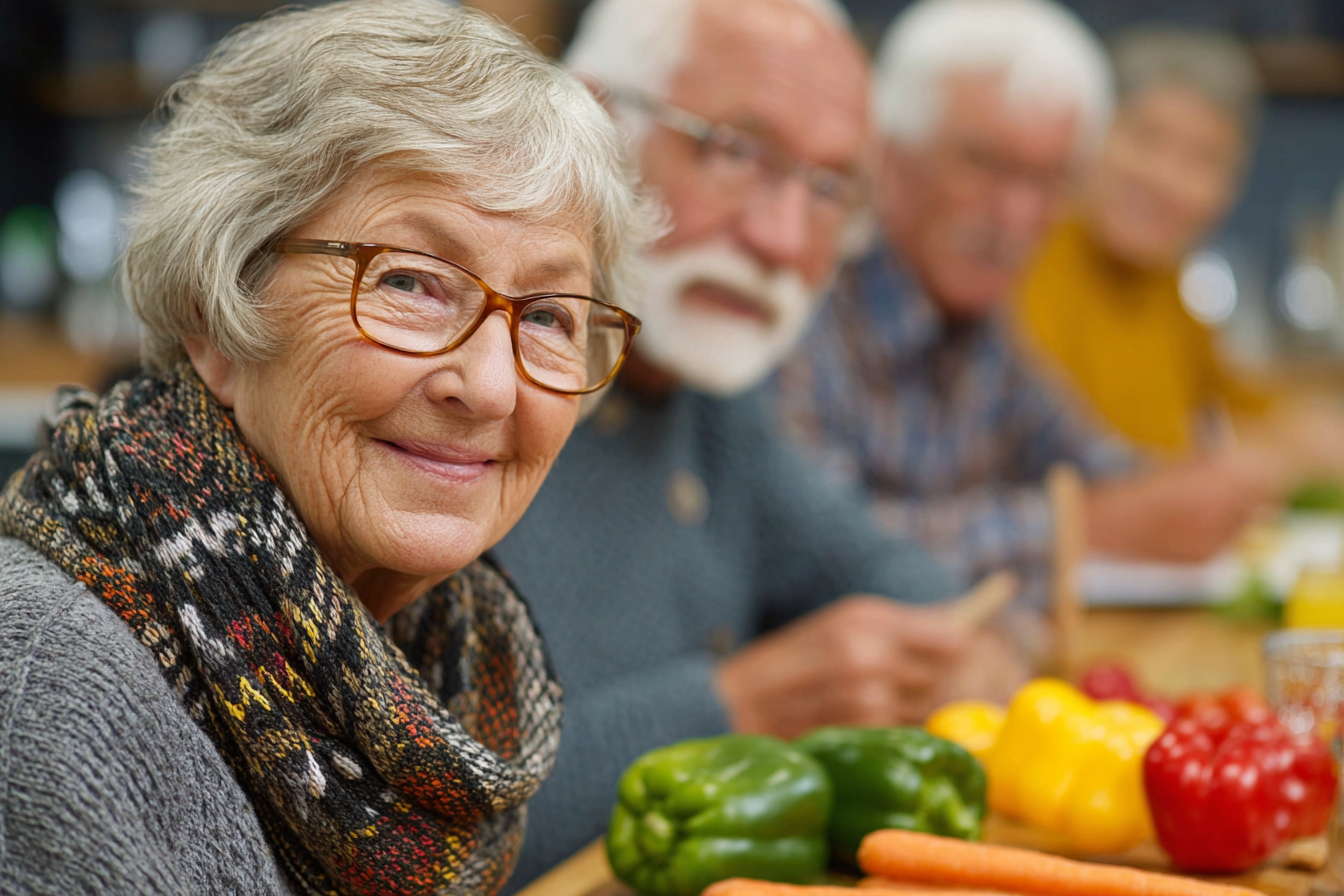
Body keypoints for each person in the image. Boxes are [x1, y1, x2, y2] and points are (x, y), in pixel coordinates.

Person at [0, 2, 656, 893]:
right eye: (413, 283)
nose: (492, 386)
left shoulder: (453, 664)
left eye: (546, 315)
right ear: (215, 317)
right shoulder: (49, 691)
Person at [492, 0, 1019, 885]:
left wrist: (967, 648)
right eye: (734, 150)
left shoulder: (705, 399)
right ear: (587, 118)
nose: (780, 240)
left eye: (826, 190)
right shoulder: (465, 392)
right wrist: (734, 703)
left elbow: (917, 591)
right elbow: (395, 830)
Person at [777, 0, 1293, 607]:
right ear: (887, 155)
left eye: (1050, 182)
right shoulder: (801, 299)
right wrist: (1085, 526)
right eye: (983, 164)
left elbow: (1095, 462)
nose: (1016, 218)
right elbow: (804, 552)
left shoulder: (980, 321)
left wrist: (1190, 493)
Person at [1016, 29, 1270, 455]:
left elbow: (1246, 406)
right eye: (1146, 138)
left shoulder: (1163, 283)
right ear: (1084, 134)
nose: (1166, 179)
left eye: (1202, 160)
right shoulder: (1022, 267)